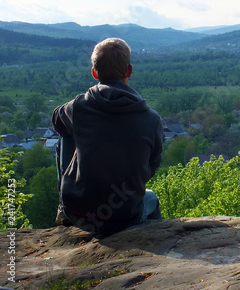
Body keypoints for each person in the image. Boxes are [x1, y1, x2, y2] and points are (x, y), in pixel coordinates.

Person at [52, 37, 164, 236]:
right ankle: (150, 240)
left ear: (94, 73)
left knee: (66, 131)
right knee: (151, 198)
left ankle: (63, 206)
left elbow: (56, 120)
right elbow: (151, 166)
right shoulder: (152, 119)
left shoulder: (79, 107)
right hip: (124, 216)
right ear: (129, 71)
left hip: (77, 212)